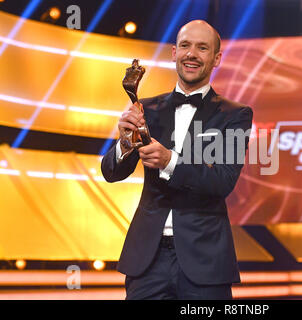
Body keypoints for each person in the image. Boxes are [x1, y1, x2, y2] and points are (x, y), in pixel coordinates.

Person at [101, 20, 253, 300]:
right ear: (174, 53)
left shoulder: (235, 115)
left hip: (204, 260)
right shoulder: (145, 108)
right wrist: (124, 143)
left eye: (202, 48)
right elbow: (111, 172)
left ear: (216, 58)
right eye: (185, 45)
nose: (191, 54)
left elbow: (223, 181)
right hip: (147, 260)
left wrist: (170, 161)